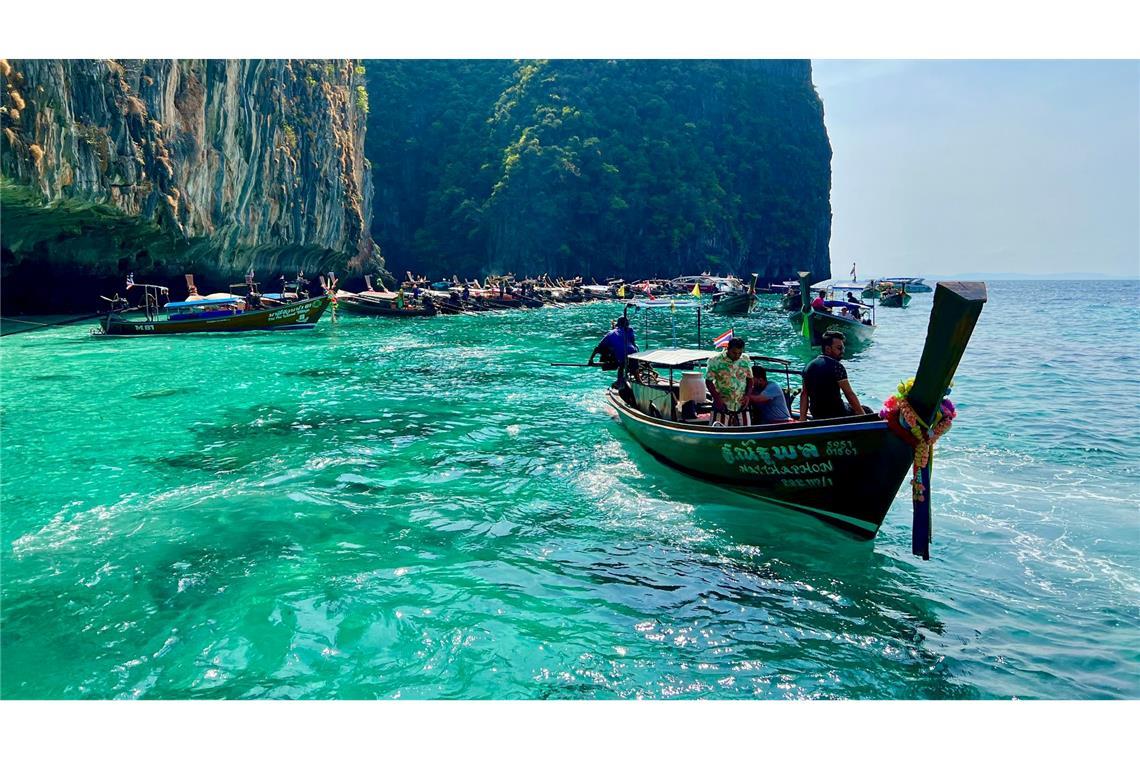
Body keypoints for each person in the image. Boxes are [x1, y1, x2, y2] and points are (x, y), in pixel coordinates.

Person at [798, 331, 862, 421]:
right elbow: (849, 394)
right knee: (866, 410)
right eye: (839, 348)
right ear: (828, 349)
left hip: (817, 413)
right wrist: (863, 415)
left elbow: (804, 394)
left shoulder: (808, 367)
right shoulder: (837, 366)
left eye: (843, 348)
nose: (842, 351)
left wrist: (802, 418)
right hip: (837, 413)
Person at [705, 337, 753, 426]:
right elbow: (708, 382)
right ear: (728, 348)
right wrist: (717, 398)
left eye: (740, 353)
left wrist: (747, 396)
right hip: (722, 403)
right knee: (718, 433)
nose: (737, 356)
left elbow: (750, 379)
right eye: (734, 353)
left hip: (741, 403)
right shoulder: (714, 360)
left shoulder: (745, 359)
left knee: (746, 433)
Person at [589, 316, 638, 384]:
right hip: (633, 353)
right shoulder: (630, 330)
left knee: (621, 366)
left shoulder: (610, 333)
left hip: (621, 356)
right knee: (633, 367)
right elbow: (633, 343)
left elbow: (597, 348)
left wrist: (591, 360)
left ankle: (620, 381)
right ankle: (636, 377)